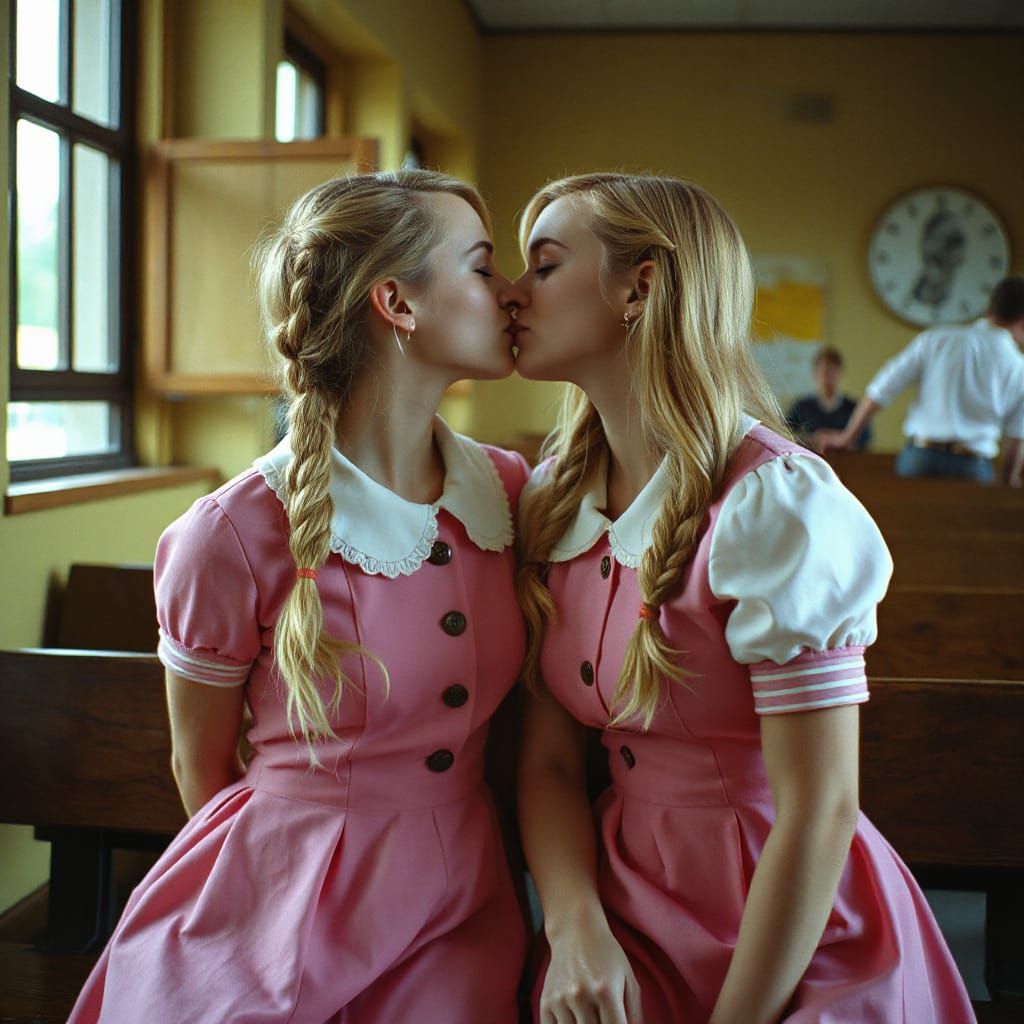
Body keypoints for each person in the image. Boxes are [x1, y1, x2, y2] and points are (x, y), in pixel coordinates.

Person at [508, 172, 975, 1023]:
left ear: (639, 286)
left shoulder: (774, 505)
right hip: (625, 909)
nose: (512, 293)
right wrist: (575, 928)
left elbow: (820, 810)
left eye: (543, 266)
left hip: (789, 925)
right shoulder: (554, 501)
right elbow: (545, 765)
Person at [69, 170, 530, 1024]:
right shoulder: (233, 532)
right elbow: (200, 767)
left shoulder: (508, 495)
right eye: (480, 265)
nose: (511, 292)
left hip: (464, 904)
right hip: (272, 909)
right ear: (398, 303)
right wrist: (274, 907)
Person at [819, 276, 1024, 485]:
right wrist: (1007, 489)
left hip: (920, 458)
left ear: (990, 308)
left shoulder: (938, 339)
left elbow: (883, 387)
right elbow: (1016, 439)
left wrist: (848, 437)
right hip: (973, 466)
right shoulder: (1019, 367)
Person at [785, 346, 870, 450]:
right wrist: (811, 439)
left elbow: (865, 438)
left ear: (840, 373)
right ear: (815, 374)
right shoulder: (801, 407)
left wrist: (838, 438)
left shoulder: (854, 408)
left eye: (832, 371)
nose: (827, 377)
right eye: (824, 371)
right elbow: (784, 433)